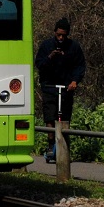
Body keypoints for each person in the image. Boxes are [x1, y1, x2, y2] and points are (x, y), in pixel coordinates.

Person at [34, 17, 86, 163]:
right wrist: (50, 56)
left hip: (66, 89)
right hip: (49, 87)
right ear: (55, 32)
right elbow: (39, 64)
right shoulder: (46, 46)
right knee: (50, 117)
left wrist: (75, 81)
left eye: (64, 35)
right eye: (59, 35)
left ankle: (64, 146)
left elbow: (80, 66)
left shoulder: (74, 47)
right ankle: (51, 145)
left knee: (64, 118)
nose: (61, 38)